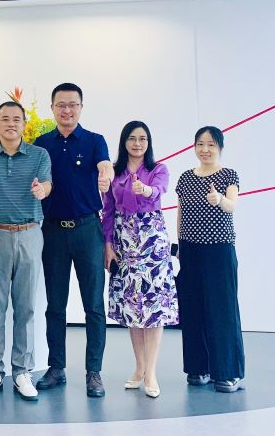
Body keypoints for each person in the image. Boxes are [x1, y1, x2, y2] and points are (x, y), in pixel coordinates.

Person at [33, 82, 114, 398]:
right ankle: (56, 367)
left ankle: (94, 372)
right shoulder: (42, 144)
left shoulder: (94, 141)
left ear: (81, 107)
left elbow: (104, 164)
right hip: (52, 231)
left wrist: (105, 174)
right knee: (55, 304)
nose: (67, 110)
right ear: (52, 108)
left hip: (87, 230)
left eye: (72, 105)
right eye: (61, 105)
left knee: (94, 304)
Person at [0, 101, 51, 402]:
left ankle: (22, 371)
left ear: (24, 124)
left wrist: (42, 190)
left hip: (30, 233)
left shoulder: (39, 154)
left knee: (26, 306)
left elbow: (47, 184)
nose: (10, 124)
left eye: (16, 119)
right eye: (4, 119)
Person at [101, 121, 177, 399]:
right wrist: (108, 245)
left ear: (149, 142)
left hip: (152, 241)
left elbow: (158, 190)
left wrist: (144, 190)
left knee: (154, 307)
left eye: (142, 139)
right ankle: (139, 367)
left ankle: (151, 372)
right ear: (124, 142)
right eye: (132, 138)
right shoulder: (115, 172)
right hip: (124, 240)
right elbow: (108, 211)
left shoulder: (158, 169)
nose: (137, 143)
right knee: (133, 306)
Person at [175, 126, 244, 393]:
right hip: (190, 251)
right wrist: (180, 246)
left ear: (220, 148)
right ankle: (198, 368)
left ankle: (228, 373)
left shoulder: (228, 175)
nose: (205, 149)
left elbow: (233, 205)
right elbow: (180, 214)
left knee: (222, 311)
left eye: (211, 144)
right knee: (192, 310)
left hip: (219, 250)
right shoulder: (185, 178)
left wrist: (219, 199)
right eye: (200, 144)